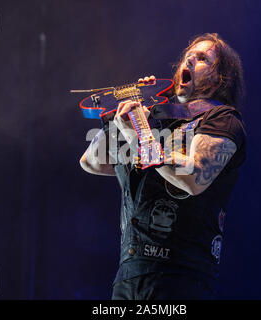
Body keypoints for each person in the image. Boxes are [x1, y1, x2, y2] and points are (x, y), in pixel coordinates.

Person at [80, 33, 246, 300]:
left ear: (220, 79)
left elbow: (193, 177)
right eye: (188, 55)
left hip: (180, 276)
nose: (190, 58)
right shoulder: (159, 118)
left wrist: (138, 133)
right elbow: (92, 161)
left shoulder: (221, 118)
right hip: (129, 275)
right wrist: (122, 112)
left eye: (202, 58)